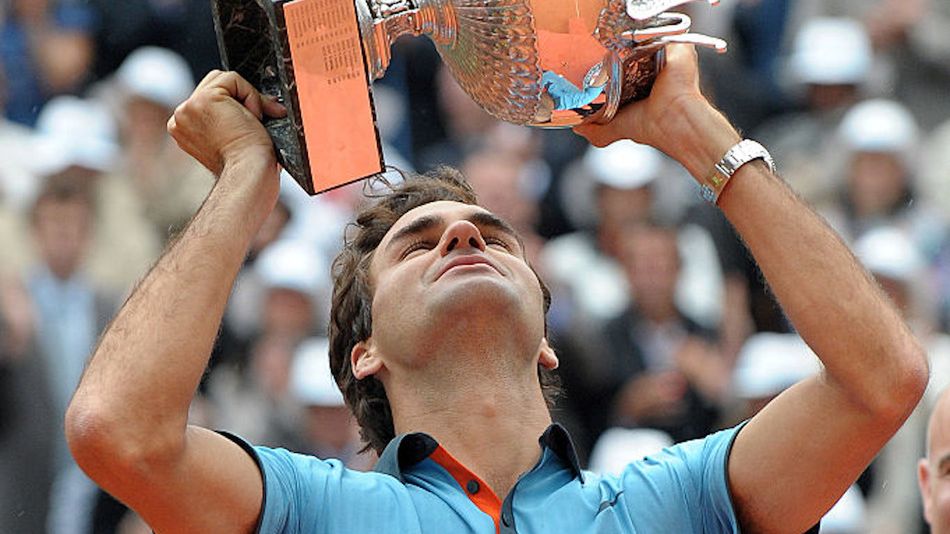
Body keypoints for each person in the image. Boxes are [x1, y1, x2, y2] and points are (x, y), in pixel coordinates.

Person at [66, 44, 927, 533]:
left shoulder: (674, 498)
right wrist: (244, 182)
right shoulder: (312, 508)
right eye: (416, 246)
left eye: (494, 237)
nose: (464, 233)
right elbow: (121, 433)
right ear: (363, 355)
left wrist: (693, 131)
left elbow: (881, 380)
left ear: (547, 336)